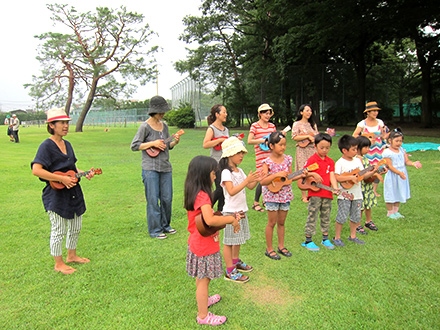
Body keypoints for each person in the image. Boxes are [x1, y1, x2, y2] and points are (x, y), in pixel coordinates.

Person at [31, 107, 95, 274]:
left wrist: (85, 173)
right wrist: (61, 179)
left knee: (75, 226)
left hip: (73, 193)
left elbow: (71, 168)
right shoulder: (46, 146)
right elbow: (36, 170)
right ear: (51, 125)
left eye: (67, 122)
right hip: (56, 195)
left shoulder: (67, 144)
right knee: (59, 229)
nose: (66, 126)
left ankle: (71, 256)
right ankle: (58, 263)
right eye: (62, 123)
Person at [184, 155, 241, 326]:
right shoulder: (203, 196)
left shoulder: (194, 191)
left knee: (202, 278)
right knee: (204, 279)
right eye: (213, 173)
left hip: (196, 241)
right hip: (203, 245)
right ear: (203, 174)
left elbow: (206, 218)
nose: (215, 176)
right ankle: (203, 316)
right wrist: (230, 220)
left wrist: (229, 216)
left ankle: (204, 299)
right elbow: (209, 220)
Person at [131, 95, 180, 239]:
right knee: (153, 199)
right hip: (150, 168)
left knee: (167, 198)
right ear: (154, 111)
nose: (163, 114)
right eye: (161, 111)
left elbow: (167, 146)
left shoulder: (164, 125)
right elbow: (134, 145)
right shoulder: (144, 126)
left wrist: (175, 142)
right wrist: (152, 143)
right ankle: (155, 230)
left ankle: (166, 225)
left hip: (165, 167)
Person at [219, 137, 261, 283]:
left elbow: (249, 187)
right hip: (231, 212)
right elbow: (231, 191)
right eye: (239, 153)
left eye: (243, 153)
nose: (242, 155)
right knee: (228, 242)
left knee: (237, 240)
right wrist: (246, 180)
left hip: (241, 210)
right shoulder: (226, 172)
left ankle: (235, 262)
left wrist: (257, 178)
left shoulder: (240, 170)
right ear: (230, 154)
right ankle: (230, 271)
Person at [260, 131, 305, 260]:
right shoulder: (267, 162)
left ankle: (281, 246)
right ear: (271, 146)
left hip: (285, 195)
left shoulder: (288, 159)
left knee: (281, 222)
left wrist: (300, 175)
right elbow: (263, 182)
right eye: (280, 145)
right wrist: (275, 175)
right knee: (272, 222)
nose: (283, 147)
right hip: (271, 196)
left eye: (284, 144)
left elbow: (289, 178)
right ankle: (269, 249)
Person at [332, 135, 376, 247]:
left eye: (356, 149)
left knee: (355, 217)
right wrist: (350, 178)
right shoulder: (340, 163)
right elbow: (337, 177)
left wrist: (373, 171)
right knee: (341, 216)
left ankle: (353, 236)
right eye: (353, 149)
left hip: (357, 194)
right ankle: (337, 237)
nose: (356, 151)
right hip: (344, 195)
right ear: (344, 150)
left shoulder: (357, 161)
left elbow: (363, 175)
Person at [301, 133, 339, 251]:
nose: (324, 150)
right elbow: (304, 173)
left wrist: (335, 187)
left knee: (326, 216)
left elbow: (332, 175)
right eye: (321, 147)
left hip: (327, 194)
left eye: (327, 148)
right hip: (315, 194)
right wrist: (313, 174)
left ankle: (325, 238)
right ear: (315, 146)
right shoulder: (312, 160)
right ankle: (308, 240)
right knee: (312, 215)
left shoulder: (330, 162)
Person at [383, 129, 422, 219]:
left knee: (399, 191)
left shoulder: (401, 150)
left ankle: (396, 211)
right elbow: (390, 166)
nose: (399, 143)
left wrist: (413, 163)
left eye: (400, 141)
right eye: (396, 141)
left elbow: (406, 161)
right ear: (390, 141)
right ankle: (390, 212)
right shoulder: (387, 152)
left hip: (402, 174)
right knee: (391, 192)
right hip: (393, 175)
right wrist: (399, 173)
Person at [352, 101, 389, 196]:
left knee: (378, 168)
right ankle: (364, 187)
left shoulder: (380, 122)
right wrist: (367, 139)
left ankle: (374, 189)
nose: (375, 113)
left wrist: (384, 136)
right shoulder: (362, 124)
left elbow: (383, 135)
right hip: (367, 151)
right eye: (373, 111)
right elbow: (355, 135)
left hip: (378, 150)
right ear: (367, 112)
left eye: (376, 111)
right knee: (367, 169)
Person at [247, 103, 276, 212]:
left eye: (269, 114)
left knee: (269, 177)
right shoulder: (255, 126)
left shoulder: (272, 126)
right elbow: (249, 141)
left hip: (270, 155)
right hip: (260, 156)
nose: (267, 116)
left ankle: (265, 200)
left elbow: (275, 139)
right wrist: (260, 141)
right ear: (260, 114)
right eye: (265, 113)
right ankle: (255, 203)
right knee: (262, 177)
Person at [202, 104, 229, 211]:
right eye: (224, 112)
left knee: (225, 187)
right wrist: (219, 140)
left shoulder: (225, 129)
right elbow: (205, 144)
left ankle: (220, 212)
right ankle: (206, 206)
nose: (226, 114)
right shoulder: (211, 128)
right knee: (220, 188)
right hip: (216, 163)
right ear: (217, 114)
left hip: (226, 162)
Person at [291, 104, 319, 202]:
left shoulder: (313, 124)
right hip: (302, 150)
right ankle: (304, 195)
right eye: (307, 110)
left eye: (310, 111)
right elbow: (294, 137)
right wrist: (307, 137)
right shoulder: (297, 124)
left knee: (313, 170)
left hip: (312, 150)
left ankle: (312, 191)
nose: (309, 112)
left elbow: (317, 135)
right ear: (301, 112)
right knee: (303, 170)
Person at [356, 136, 381, 233]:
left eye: (368, 147)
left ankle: (368, 221)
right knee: (361, 207)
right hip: (361, 186)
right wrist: (373, 172)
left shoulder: (365, 158)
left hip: (368, 186)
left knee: (368, 205)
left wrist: (378, 172)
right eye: (365, 147)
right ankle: (358, 225)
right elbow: (361, 174)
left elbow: (369, 174)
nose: (368, 149)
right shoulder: (358, 160)